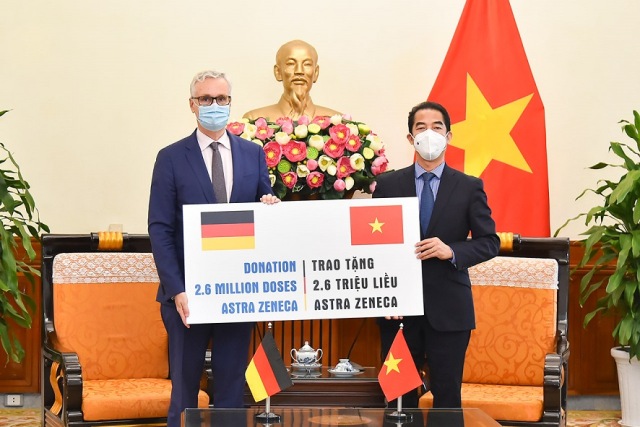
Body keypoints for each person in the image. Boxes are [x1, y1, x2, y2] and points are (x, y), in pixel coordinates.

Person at [148, 70, 278, 427]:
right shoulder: (171, 157)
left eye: (221, 99)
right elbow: (160, 228)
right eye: (206, 99)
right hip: (187, 297)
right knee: (185, 390)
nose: (214, 105)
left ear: (230, 103)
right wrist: (176, 289)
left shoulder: (253, 154)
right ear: (192, 105)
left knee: (231, 390)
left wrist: (270, 206)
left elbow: (262, 209)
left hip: (237, 293)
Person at [373, 101, 500, 408]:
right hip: (398, 311)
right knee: (399, 401)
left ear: (449, 136)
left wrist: (452, 251)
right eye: (421, 128)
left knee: (447, 400)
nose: (429, 133)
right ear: (410, 138)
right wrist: (385, 296)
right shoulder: (388, 184)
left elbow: (489, 242)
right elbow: (374, 247)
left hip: (450, 311)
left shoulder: (469, 187)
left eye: (437, 127)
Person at [243, 39, 341, 121]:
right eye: (291, 64)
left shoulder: (338, 122)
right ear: (278, 72)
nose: (299, 71)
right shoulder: (254, 120)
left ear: (315, 73)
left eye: (307, 64)